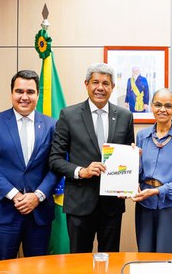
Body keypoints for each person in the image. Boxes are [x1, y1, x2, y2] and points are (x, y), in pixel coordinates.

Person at [49, 63, 135, 253]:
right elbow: (55, 159)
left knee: (110, 261)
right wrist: (82, 171)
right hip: (79, 203)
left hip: (111, 205)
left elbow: (128, 155)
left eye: (106, 83)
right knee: (79, 262)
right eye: (95, 82)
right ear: (86, 84)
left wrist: (133, 160)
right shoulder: (68, 115)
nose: (100, 87)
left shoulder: (125, 116)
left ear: (112, 87)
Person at [0, 70, 58, 259]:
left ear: (38, 94)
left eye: (30, 92)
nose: (24, 97)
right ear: (11, 93)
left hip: (39, 214)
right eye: (19, 91)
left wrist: (37, 196)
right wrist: (15, 195)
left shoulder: (52, 125)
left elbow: (57, 165)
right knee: (4, 270)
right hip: (4, 212)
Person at [132, 89, 172, 253]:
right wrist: (132, 163)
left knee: (170, 259)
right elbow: (137, 174)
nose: (162, 109)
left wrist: (157, 191)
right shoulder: (142, 136)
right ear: (151, 106)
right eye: (158, 105)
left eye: (168, 106)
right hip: (145, 204)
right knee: (145, 256)